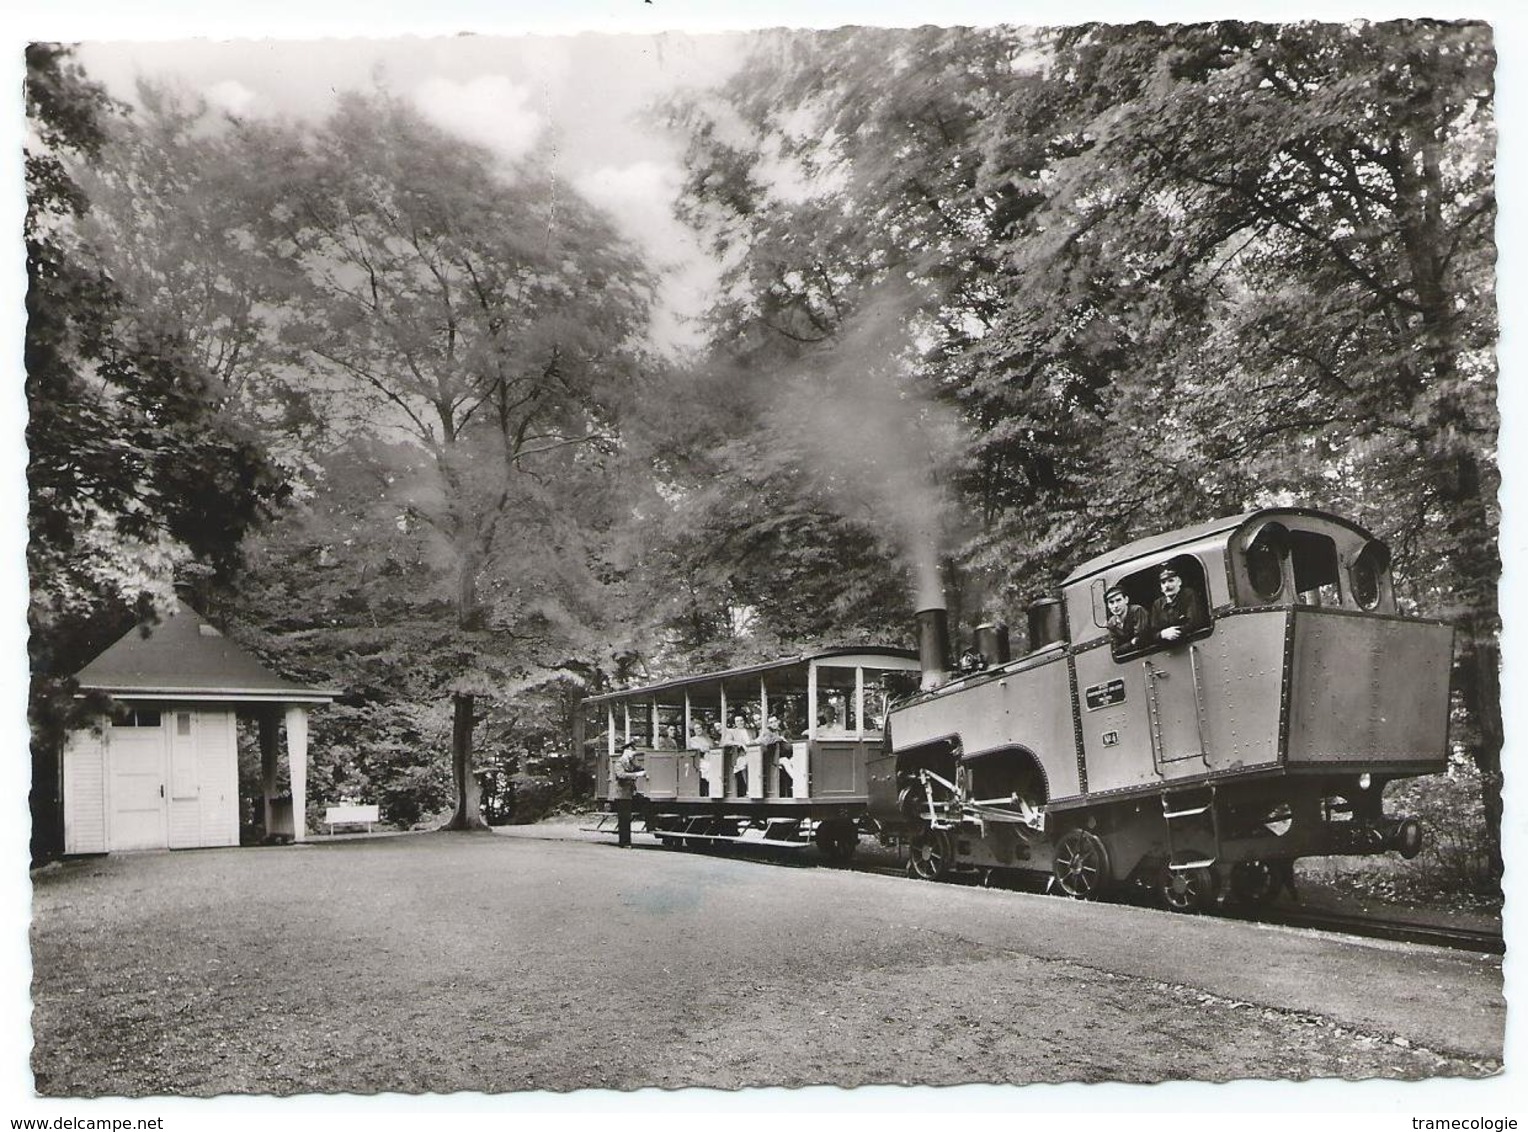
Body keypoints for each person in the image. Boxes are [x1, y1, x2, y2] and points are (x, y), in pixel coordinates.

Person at [1149, 564, 1209, 644]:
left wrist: (1174, 632)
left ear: (1179, 582)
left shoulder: (1189, 595)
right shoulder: (1157, 604)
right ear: (1161, 588)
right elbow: (1152, 633)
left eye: (1171, 581)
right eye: (1163, 583)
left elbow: (1195, 622)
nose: (1167, 585)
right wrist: (1162, 634)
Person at [610, 740, 646, 848]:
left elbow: (639, 768)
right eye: (631, 753)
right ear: (627, 751)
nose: (632, 755)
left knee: (646, 801)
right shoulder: (619, 763)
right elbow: (621, 775)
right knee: (624, 819)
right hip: (621, 795)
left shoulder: (630, 763)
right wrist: (636, 774)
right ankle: (624, 842)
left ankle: (651, 824)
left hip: (629, 793)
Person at [1105, 585, 1149, 653]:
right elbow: (1116, 649)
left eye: (1118, 600)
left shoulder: (1137, 611)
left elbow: (1141, 639)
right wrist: (1131, 643)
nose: (1115, 606)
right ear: (1108, 606)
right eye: (1111, 602)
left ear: (1126, 600)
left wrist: (1126, 646)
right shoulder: (1111, 623)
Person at [756, 714, 790, 797]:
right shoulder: (767, 732)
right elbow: (766, 742)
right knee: (785, 761)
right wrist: (779, 738)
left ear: (778, 722)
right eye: (771, 722)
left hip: (782, 756)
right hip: (772, 759)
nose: (774, 723)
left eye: (775, 721)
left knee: (791, 761)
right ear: (768, 724)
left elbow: (789, 744)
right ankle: (797, 781)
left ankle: (794, 784)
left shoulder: (783, 731)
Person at [722, 712, 753, 796]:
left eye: (741, 720)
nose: (740, 722)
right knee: (744, 764)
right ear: (735, 723)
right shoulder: (732, 732)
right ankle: (749, 789)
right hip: (741, 754)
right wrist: (739, 743)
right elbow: (726, 742)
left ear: (744, 721)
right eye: (737, 721)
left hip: (754, 753)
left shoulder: (750, 731)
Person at [687, 721, 713, 797]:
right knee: (708, 766)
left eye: (700, 728)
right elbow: (700, 749)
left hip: (709, 757)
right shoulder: (692, 740)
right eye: (696, 728)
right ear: (694, 731)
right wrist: (706, 749)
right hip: (699, 759)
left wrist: (707, 749)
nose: (699, 730)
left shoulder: (707, 738)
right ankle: (708, 790)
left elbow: (711, 747)